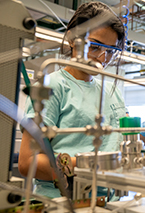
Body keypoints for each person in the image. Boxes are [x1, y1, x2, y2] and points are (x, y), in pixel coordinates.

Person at [18, 2, 126, 199]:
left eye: (111, 51)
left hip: (110, 200)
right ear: (71, 39)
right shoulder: (52, 87)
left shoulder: (112, 91)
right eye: (94, 46)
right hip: (63, 200)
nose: (103, 57)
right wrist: (90, 165)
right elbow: (27, 162)